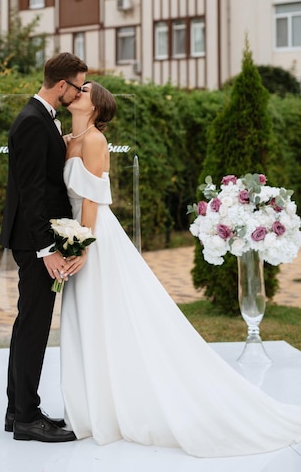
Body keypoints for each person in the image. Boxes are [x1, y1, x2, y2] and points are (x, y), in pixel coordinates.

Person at [59, 80, 301, 457]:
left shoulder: (93, 141)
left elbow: (91, 198)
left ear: (98, 107)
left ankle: (110, 408)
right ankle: (95, 407)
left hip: (94, 235)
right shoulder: (69, 139)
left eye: (86, 91)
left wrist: (82, 244)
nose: (78, 92)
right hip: (78, 229)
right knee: (88, 317)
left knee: (104, 314)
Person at [0, 52, 88, 442]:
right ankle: (27, 419)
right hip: (36, 242)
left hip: (33, 238)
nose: (81, 92)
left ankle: (16, 410)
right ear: (61, 86)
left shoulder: (41, 120)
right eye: (78, 86)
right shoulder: (34, 122)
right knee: (34, 327)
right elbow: (34, 193)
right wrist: (47, 250)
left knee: (27, 325)